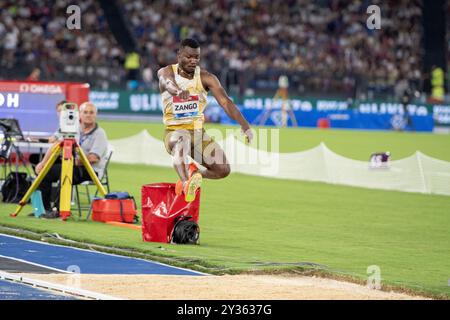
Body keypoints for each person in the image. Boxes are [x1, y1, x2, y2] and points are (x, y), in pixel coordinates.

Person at [157, 38, 253, 202]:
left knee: (223, 170)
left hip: (199, 134)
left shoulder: (206, 78)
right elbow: (168, 83)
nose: (193, 60)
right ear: (179, 55)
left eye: (196, 57)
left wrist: (245, 125)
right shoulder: (166, 71)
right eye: (189, 56)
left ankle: (195, 173)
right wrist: (178, 92)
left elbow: (225, 102)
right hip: (174, 132)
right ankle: (186, 183)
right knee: (182, 141)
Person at [35, 102, 109, 218]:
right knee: (45, 173)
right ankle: (45, 209)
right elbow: (55, 144)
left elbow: (93, 158)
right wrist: (43, 163)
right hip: (74, 166)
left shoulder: (100, 133)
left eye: (91, 112)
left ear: (96, 115)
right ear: (79, 114)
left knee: (65, 173)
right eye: (85, 112)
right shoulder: (73, 128)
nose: (88, 115)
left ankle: (59, 210)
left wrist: (73, 161)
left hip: (90, 171)